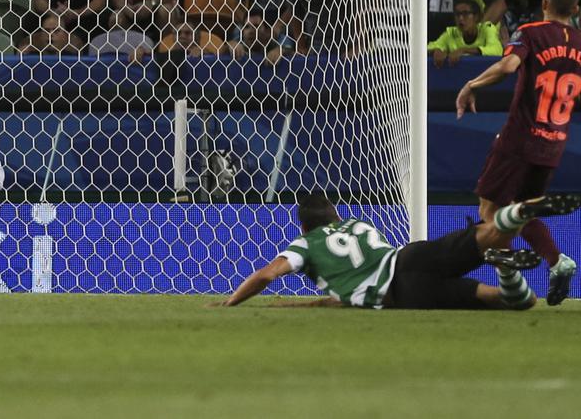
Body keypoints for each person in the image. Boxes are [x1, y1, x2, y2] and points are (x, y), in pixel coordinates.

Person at [219, 191, 581, 309]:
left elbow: (267, 274)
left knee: (513, 302)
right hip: (408, 255)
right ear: (336, 215)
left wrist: (228, 302)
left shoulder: (306, 243)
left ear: (303, 225)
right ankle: (519, 212)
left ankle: (505, 269)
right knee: (484, 235)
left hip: (402, 291)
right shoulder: (359, 225)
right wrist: (316, 302)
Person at [457, 0, 581, 305]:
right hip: (554, 141)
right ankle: (557, 261)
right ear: (576, 9)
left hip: (520, 137)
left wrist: (472, 84)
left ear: (544, 4)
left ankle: (510, 275)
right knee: (523, 209)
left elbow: (508, 65)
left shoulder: (531, 32)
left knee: (489, 207)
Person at [428, 0, 503, 66]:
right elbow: (429, 47)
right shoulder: (451, 33)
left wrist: (464, 50)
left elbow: (497, 50)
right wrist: (435, 50)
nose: (460, 18)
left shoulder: (487, 28)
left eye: (465, 14)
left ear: (476, 17)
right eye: (457, 14)